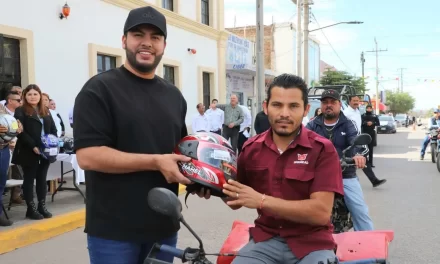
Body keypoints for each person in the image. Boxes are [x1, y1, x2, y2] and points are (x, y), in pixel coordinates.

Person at [73, 6, 191, 264]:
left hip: (163, 229)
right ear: (124, 40)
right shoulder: (99, 90)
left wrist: (201, 180)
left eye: (155, 37)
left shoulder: (174, 96)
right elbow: (89, 157)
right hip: (113, 232)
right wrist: (155, 161)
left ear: (164, 45)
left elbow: (179, 153)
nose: (147, 43)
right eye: (138, 35)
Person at [196, 74, 345, 264]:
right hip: (265, 241)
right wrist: (212, 185)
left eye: (293, 106)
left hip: (312, 244)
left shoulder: (322, 149)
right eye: (277, 105)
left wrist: (261, 200)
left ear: (306, 109)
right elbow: (236, 199)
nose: (284, 113)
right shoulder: (251, 149)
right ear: (266, 107)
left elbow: (320, 212)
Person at [306, 89, 374, 232]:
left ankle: (369, 248)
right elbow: (302, 145)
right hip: (317, 176)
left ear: (339, 105)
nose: (328, 105)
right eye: (325, 102)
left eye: (332, 102)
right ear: (321, 105)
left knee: (360, 211)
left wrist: (358, 155)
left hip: (345, 174)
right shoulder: (312, 125)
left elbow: (359, 144)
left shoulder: (348, 124)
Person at [12, 84, 57, 220]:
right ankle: (31, 208)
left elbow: (53, 130)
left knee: (42, 179)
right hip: (28, 150)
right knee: (29, 179)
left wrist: (52, 143)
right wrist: (33, 146)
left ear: (40, 96)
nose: (32, 97)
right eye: (29, 94)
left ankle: (42, 206)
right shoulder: (20, 111)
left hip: (45, 151)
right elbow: (19, 132)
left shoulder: (46, 111)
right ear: (24, 96)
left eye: (35, 94)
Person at [345, 97, 386, 188]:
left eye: (357, 101)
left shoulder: (357, 111)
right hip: (350, 140)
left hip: (358, 139)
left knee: (362, 158)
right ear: (349, 102)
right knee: (352, 160)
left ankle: (373, 180)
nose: (356, 103)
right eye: (354, 101)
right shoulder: (346, 113)